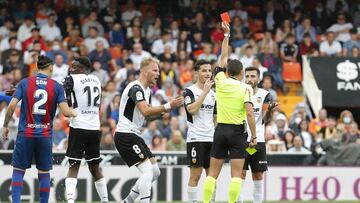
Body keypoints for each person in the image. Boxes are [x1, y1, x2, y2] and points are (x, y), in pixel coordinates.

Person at [1, 55, 77, 203]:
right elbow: (66, 112)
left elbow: (11, 106)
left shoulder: (24, 83)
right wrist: (76, 113)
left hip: (25, 134)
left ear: (37, 67)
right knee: (43, 171)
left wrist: (5, 125)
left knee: (18, 170)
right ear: (50, 67)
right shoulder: (56, 86)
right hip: (44, 135)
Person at [114, 57, 183, 203]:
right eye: (155, 70)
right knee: (148, 171)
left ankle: (127, 201)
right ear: (145, 72)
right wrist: (167, 106)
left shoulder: (147, 91)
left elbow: (147, 115)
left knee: (155, 172)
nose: (158, 73)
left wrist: (162, 113)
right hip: (125, 134)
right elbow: (145, 111)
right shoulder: (136, 88)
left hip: (134, 134)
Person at [203, 21, 257, 203]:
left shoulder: (219, 80)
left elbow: (223, 56)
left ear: (227, 71)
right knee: (235, 176)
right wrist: (254, 135)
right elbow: (250, 113)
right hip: (237, 133)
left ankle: (205, 202)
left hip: (220, 130)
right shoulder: (245, 88)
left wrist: (226, 36)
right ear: (241, 72)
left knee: (212, 175)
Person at [62, 56, 109, 203]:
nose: (71, 68)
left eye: (74, 66)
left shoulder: (71, 79)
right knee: (95, 168)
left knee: (73, 165)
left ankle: (70, 201)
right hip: (94, 128)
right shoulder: (96, 80)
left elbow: (59, 93)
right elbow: (99, 105)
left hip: (78, 127)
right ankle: (105, 200)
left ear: (82, 68)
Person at [237, 67, 278, 203]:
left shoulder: (265, 95)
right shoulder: (239, 93)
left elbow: (265, 118)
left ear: (258, 79)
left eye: (253, 76)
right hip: (240, 140)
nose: (249, 79)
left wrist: (271, 110)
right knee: (240, 175)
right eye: (247, 76)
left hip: (257, 141)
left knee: (258, 175)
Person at [183, 59, 216, 203]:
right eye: (204, 70)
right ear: (196, 73)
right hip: (196, 138)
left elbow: (215, 116)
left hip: (212, 139)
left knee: (211, 177)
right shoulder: (189, 91)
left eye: (209, 70)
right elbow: (192, 110)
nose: (208, 73)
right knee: (195, 176)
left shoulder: (214, 94)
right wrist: (205, 92)